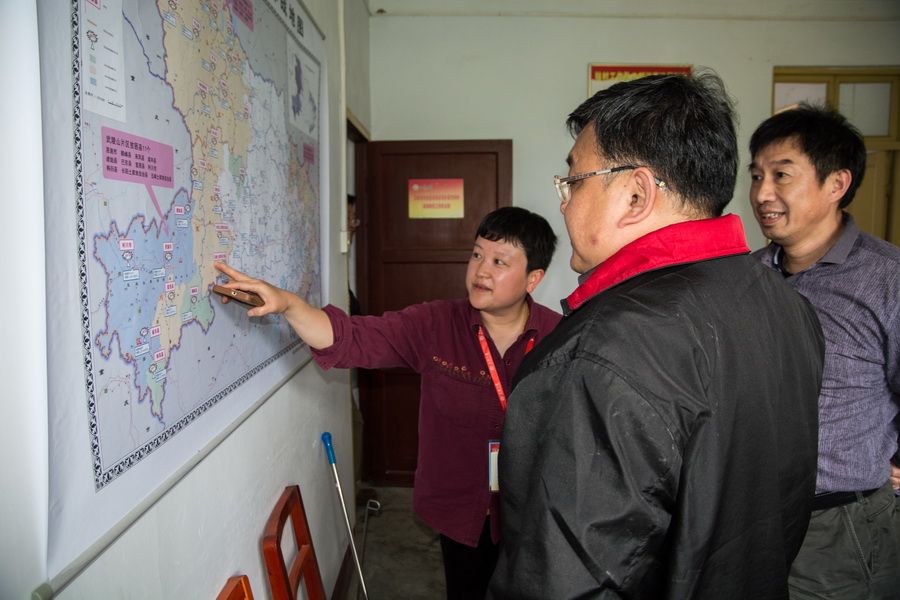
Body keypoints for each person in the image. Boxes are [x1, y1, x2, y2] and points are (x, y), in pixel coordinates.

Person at [488, 72, 825, 599]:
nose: (563, 204)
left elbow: (569, 581)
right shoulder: (786, 304)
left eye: (572, 181)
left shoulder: (605, 349)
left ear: (636, 194)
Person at [215, 206, 560, 600]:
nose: (481, 271)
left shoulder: (562, 337)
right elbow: (351, 337)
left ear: (533, 278)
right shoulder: (435, 324)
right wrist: (290, 305)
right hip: (461, 509)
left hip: (533, 510)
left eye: (499, 261)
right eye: (477, 254)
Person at [748, 104, 900, 599]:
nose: (761, 194)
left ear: (836, 184)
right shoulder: (747, 275)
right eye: (756, 176)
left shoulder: (886, 278)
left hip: (838, 525)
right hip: (747, 517)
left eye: (781, 175)